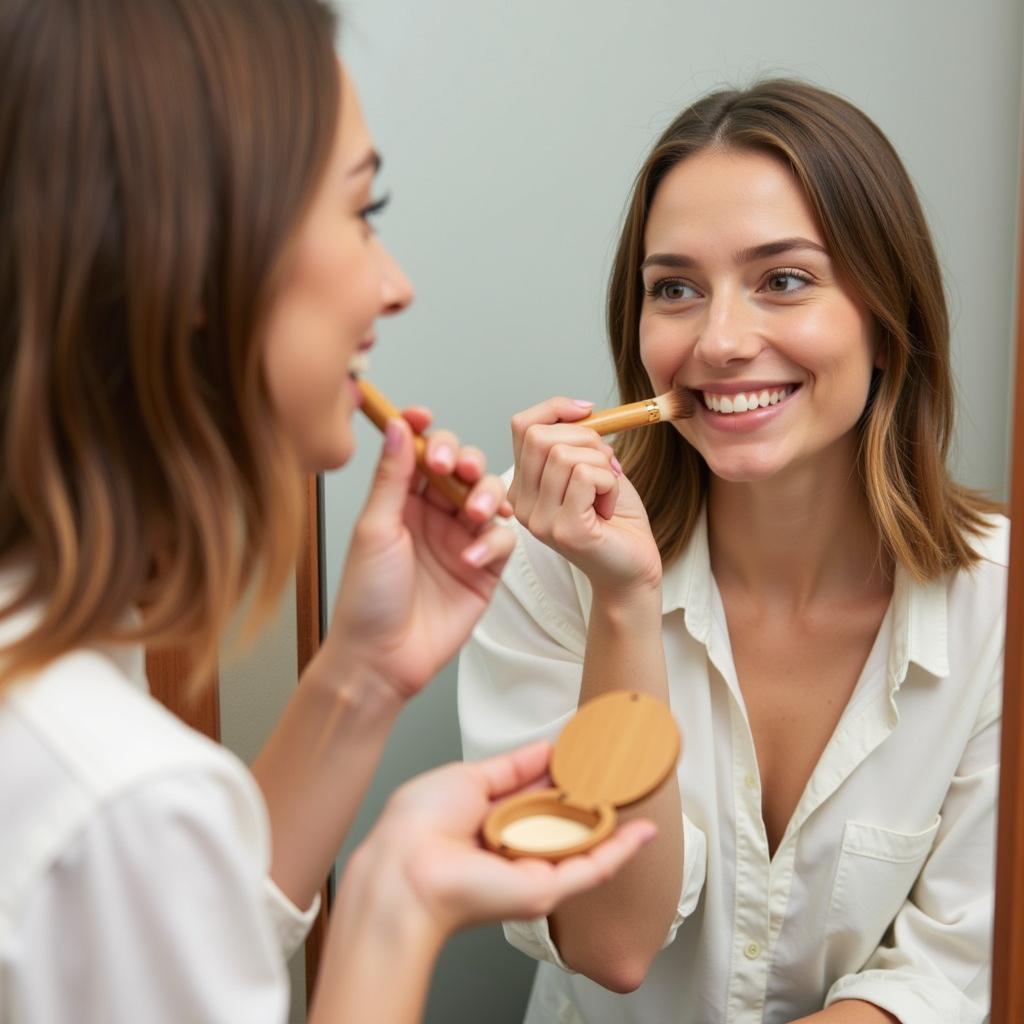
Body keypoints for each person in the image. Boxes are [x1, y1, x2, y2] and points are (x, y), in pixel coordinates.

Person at [0, 2, 657, 1022]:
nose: (392, 286)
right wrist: (394, 900)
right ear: (192, 263)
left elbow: (170, 953)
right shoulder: (114, 795)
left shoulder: (57, 693)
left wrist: (359, 676)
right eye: (363, 211)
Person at [459, 78, 1005, 1023]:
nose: (718, 340)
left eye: (783, 280)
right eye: (675, 289)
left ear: (886, 315)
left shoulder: (1001, 602)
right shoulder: (544, 550)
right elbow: (610, 945)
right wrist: (624, 600)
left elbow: (946, 969)